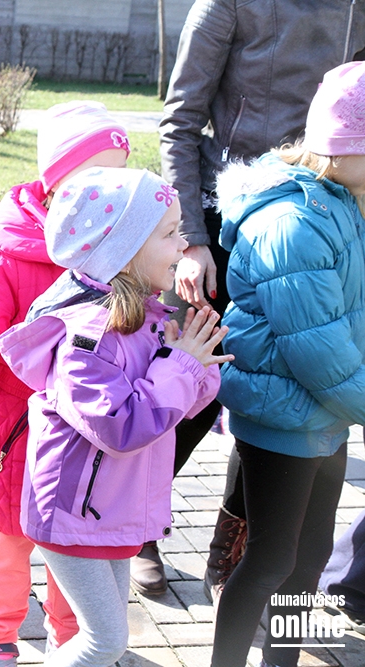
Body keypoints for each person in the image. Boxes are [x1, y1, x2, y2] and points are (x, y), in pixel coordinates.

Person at [159, 0, 365, 601]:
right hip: (228, 221)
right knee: (194, 390)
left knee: (278, 397)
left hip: (326, 215)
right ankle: (141, 531)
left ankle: (233, 555)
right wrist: (191, 240)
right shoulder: (225, 5)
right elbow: (179, 122)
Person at [0, 101, 131, 665]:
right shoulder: (13, 250)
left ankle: (72, 638)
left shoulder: (121, 246)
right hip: (17, 434)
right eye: (98, 176)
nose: (111, 192)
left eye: (121, 177)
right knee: (7, 542)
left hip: (87, 436)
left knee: (76, 546)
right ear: (58, 183)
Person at [0, 167, 226, 667]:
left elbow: (173, 406)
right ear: (124, 249)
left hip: (108, 512)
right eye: (170, 233)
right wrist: (182, 365)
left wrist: (199, 363)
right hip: (73, 514)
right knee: (105, 641)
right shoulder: (87, 339)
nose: (183, 245)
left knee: (103, 636)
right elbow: (123, 426)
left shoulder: (145, 318)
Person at [210, 61, 365, 667]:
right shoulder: (293, 224)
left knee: (310, 557)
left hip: (325, 415)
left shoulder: (344, 202)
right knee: (271, 560)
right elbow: (319, 354)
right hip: (284, 418)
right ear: (346, 146)